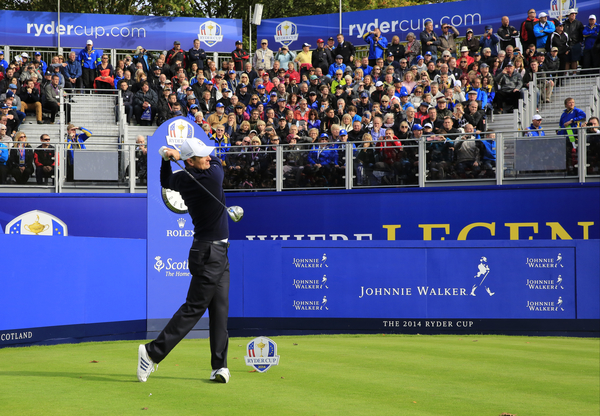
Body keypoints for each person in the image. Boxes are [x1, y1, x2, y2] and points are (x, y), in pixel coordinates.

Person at [139, 138, 231, 383]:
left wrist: (166, 158)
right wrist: (177, 155)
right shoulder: (213, 177)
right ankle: (152, 352)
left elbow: (165, 180)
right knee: (194, 308)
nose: (209, 158)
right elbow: (220, 163)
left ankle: (219, 366)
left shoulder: (183, 179)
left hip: (214, 252)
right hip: (210, 253)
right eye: (202, 156)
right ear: (191, 161)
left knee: (220, 310)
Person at [563, 9, 584, 73]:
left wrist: (580, 42)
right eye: (572, 14)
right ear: (568, 15)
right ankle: (566, 74)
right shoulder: (564, 23)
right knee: (566, 60)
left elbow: (582, 33)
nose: (573, 15)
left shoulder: (578, 23)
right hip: (566, 44)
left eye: (574, 14)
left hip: (576, 43)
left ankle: (574, 73)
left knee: (574, 59)